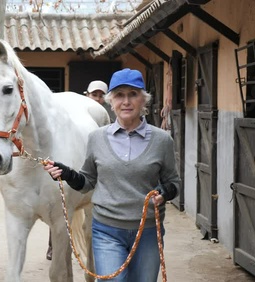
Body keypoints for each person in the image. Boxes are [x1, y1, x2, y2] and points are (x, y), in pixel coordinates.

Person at [44, 68, 179, 282]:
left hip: (147, 230)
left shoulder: (162, 140)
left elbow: (173, 183)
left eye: (133, 94)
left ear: (143, 100)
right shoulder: (96, 138)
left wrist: (165, 192)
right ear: (111, 101)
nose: (126, 101)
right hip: (107, 231)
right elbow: (87, 182)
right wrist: (67, 173)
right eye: (119, 95)